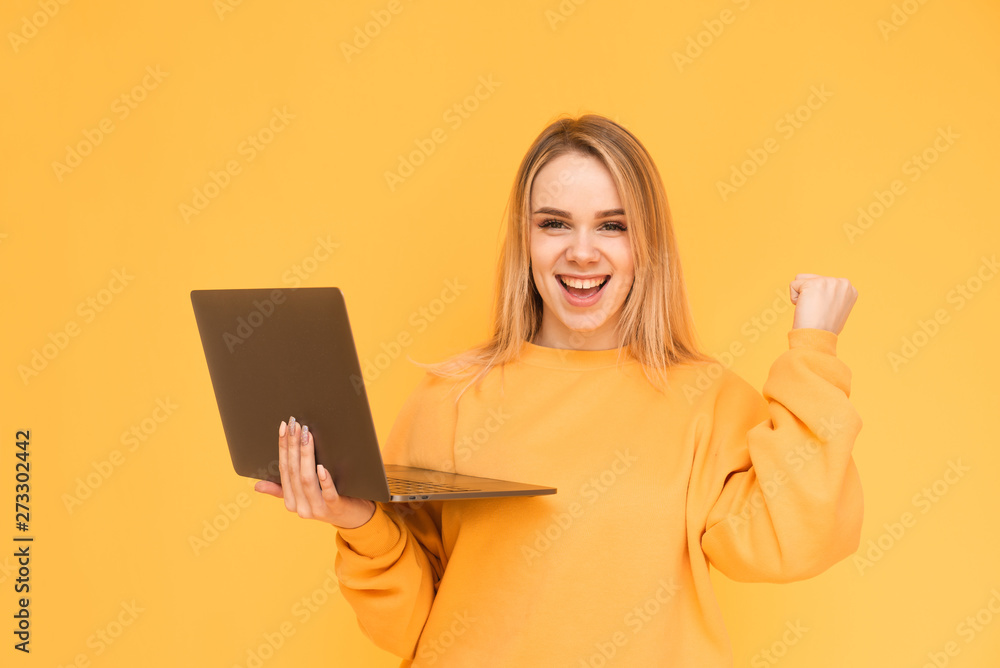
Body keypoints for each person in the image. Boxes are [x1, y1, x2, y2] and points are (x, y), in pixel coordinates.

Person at [254, 114, 863, 667]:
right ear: (526, 239)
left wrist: (812, 350)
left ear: (647, 243)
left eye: (612, 226)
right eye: (554, 223)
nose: (581, 252)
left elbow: (795, 541)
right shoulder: (451, 398)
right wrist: (355, 519)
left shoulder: (708, 401)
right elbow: (415, 625)